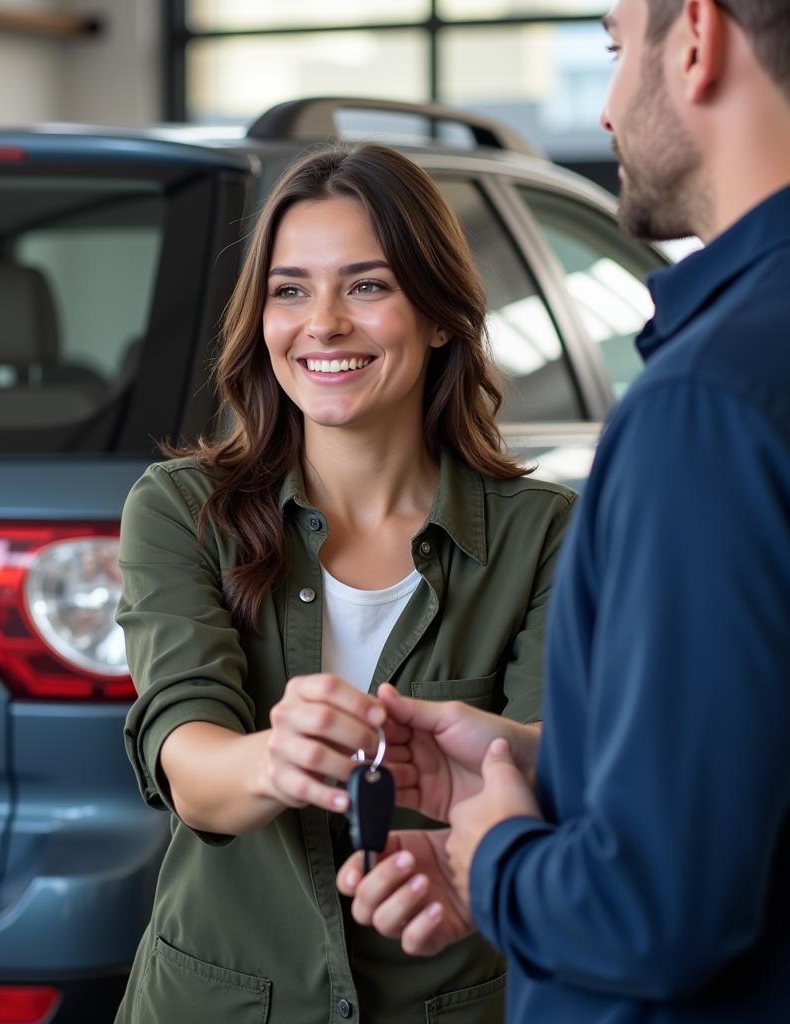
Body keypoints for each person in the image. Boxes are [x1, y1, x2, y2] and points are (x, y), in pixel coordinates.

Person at [337, 1, 790, 1021]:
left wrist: (498, 857)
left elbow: (650, 914)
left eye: (613, 47)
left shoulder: (704, 405)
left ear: (694, 39)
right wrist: (545, 772)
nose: (605, 110)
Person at [113, 142, 574, 1023]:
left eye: (366, 285)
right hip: (216, 1002)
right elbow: (188, 761)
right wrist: (275, 759)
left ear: (439, 316)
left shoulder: (548, 531)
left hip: (454, 1000)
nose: (321, 323)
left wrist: (499, 753)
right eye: (290, 289)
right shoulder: (179, 511)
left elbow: (561, 758)